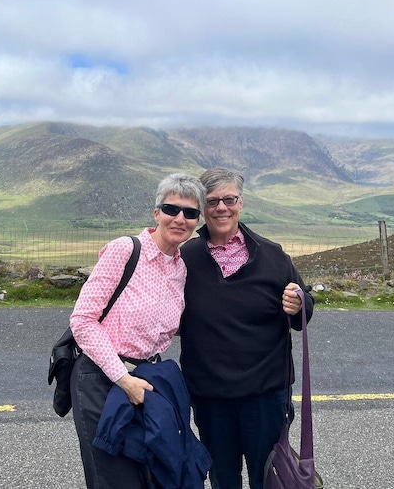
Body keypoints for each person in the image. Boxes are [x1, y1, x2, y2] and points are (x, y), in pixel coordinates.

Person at [178, 167, 315, 489]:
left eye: (229, 199)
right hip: (210, 393)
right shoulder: (186, 258)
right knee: (222, 476)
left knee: (267, 476)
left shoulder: (273, 255)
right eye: (212, 201)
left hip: (265, 392)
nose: (221, 208)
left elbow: (302, 304)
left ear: (241, 203)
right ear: (201, 207)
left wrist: (299, 305)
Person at [69, 173, 208, 489]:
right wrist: (123, 378)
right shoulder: (125, 251)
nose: (180, 218)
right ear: (156, 212)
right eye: (171, 209)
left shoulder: (181, 269)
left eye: (190, 213)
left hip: (145, 380)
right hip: (101, 379)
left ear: (197, 220)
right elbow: (83, 321)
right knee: (114, 478)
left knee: (151, 472)